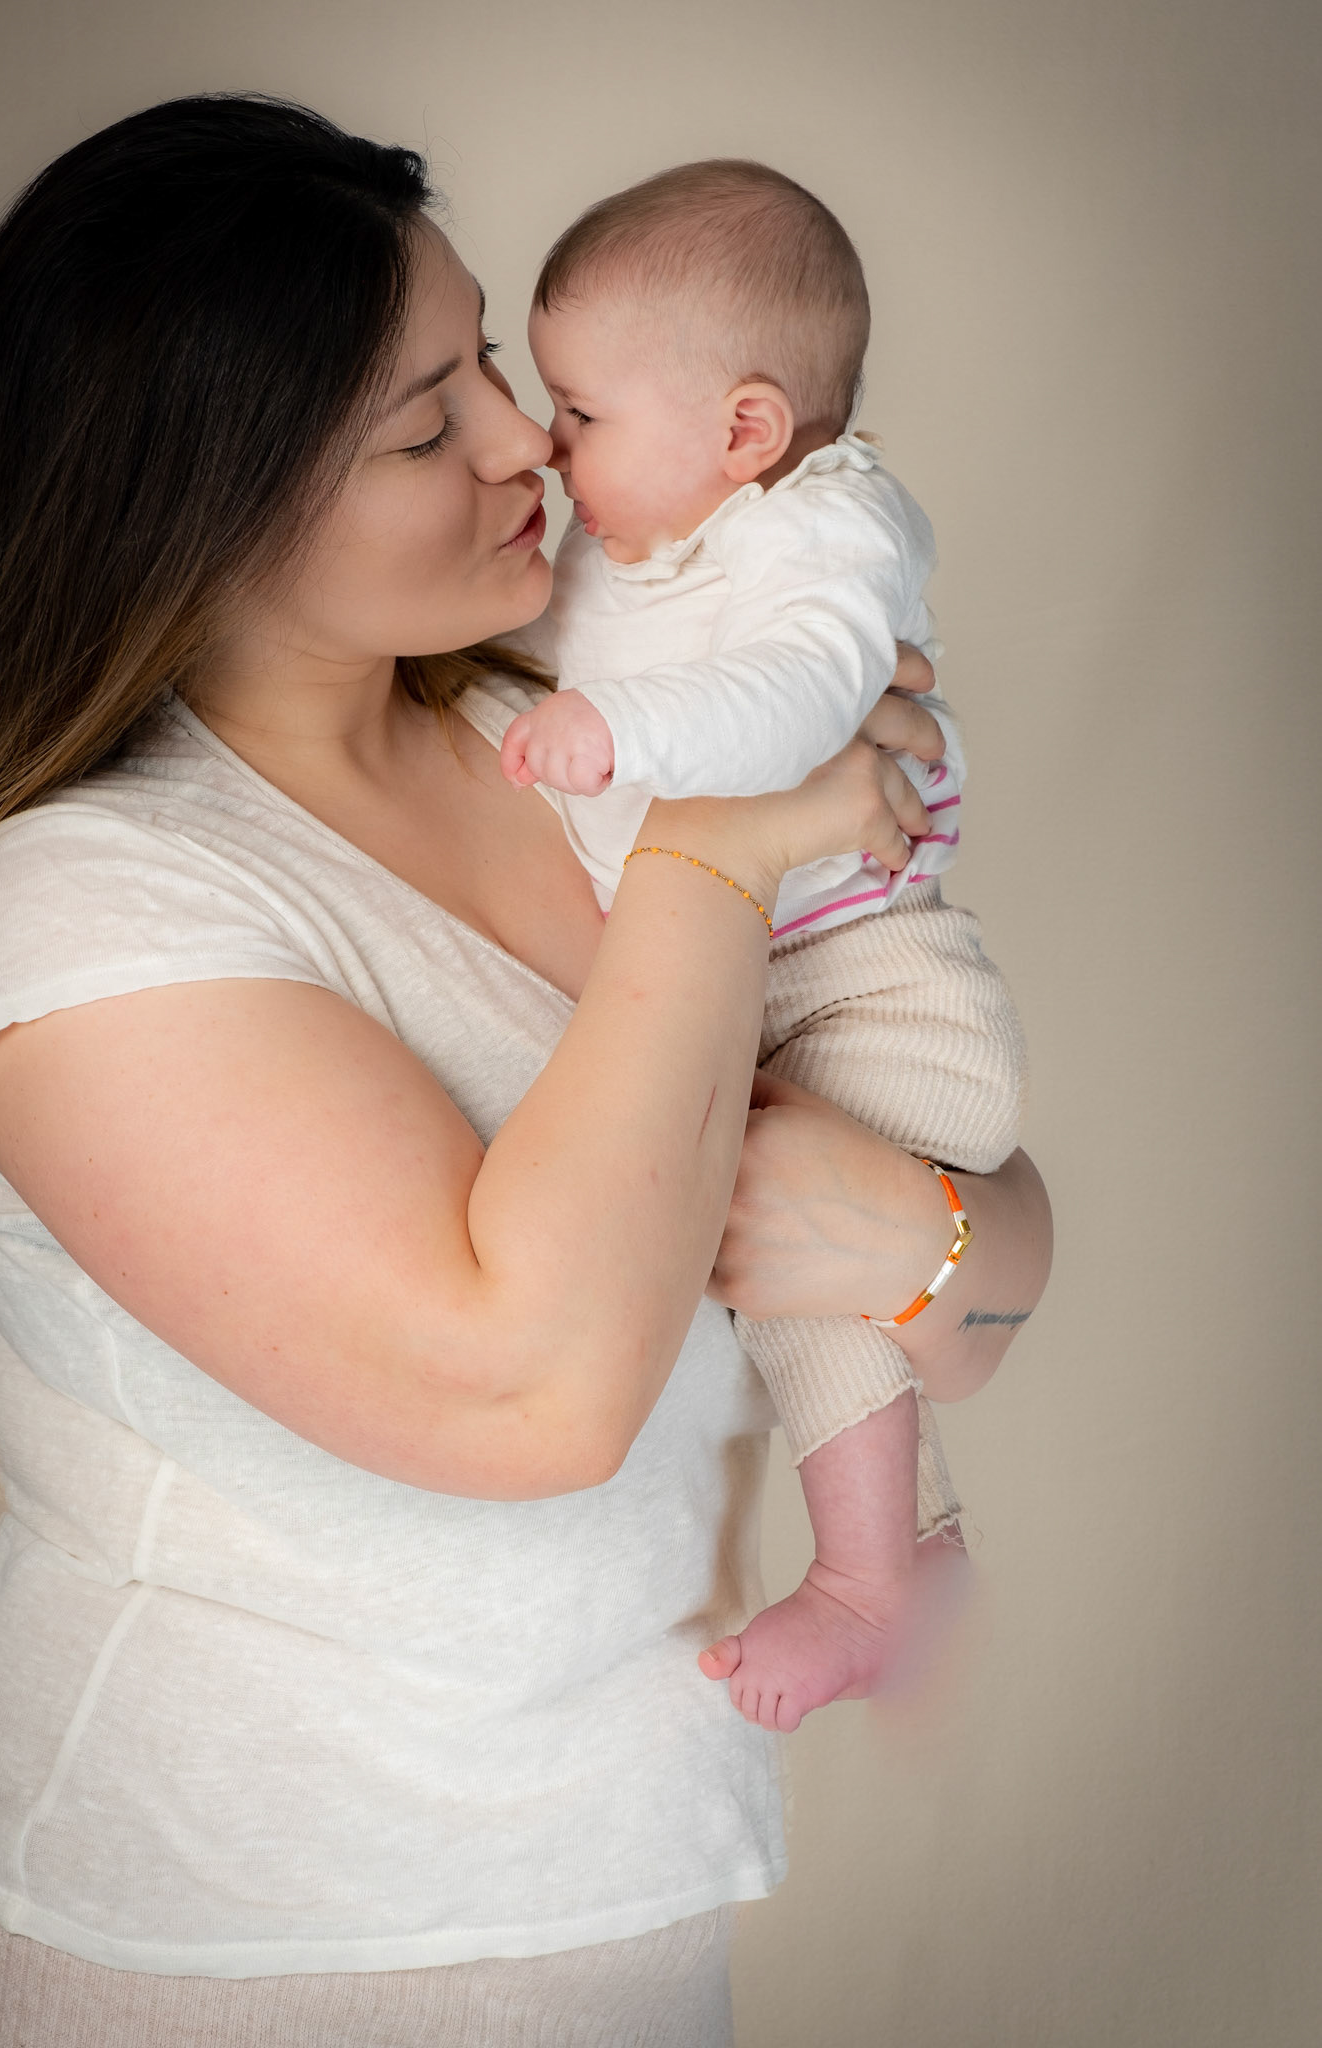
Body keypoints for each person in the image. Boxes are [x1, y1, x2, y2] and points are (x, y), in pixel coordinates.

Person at [0, 95, 1052, 2046]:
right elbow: (531, 1391)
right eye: (423, 422)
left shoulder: (565, 722)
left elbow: (969, 1287)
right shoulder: (79, 904)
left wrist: (921, 1230)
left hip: (628, 1865)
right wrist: (719, 849)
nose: (523, 436)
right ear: (200, 498)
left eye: (486, 358)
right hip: (235, 1931)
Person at [479, 160, 1026, 1732]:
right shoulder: (632, 537)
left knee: (795, 1282)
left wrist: (617, 732)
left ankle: (868, 1580)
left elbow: (801, 695)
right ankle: (905, 1550)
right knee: (785, 1263)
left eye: (579, 411)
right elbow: (543, 638)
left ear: (744, 429)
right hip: (775, 988)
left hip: (872, 988)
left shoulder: (819, 530)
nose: (544, 443)